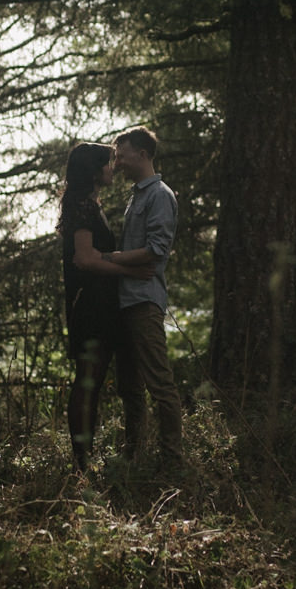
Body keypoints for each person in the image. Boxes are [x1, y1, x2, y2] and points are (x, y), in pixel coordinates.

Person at [109, 126, 184, 470]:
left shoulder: (160, 195)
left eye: (122, 154)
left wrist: (111, 259)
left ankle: (173, 461)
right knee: (130, 386)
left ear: (142, 154)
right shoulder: (137, 196)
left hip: (144, 301)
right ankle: (132, 456)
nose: (118, 162)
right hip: (126, 301)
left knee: (159, 382)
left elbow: (156, 249)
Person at [58, 142, 128, 471]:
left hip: (98, 303)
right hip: (90, 305)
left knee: (92, 381)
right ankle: (81, 462)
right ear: (94, 169)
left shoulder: (89, 204)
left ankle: (83, 459)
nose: (113, 168)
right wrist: (128, 268)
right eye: (109, 163)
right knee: (88, 380)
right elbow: (84, 258)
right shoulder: (82, 206)